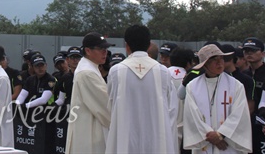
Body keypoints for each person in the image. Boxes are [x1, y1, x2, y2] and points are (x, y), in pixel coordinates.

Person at [106, 25, 178, 154]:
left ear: (127, 46)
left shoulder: (116, 71)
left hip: (125, 139)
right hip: (156, 140)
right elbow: (170, 107)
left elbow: (111, 104)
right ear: (149, 45)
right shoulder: (163, 72)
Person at [183, 44, 252, 153]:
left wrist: (221, 134)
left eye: (221, 58)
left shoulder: (235, 85)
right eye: (214, 59)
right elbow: (191, 116)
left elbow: (240, 114)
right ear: (204, 65)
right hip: (204, 144)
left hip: (228, 144)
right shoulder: (193, 86)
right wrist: (211, 136)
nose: (219, 62)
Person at [65, 32, 112, 154]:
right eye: (101, 49)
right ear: (88, 51)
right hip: (90, 134)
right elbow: (106, 107)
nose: (105, 52)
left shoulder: (90, 68)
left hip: (89, 131)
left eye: (106, 49)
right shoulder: (87, 73)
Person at [242, 37, 265, 154]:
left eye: (253, 50)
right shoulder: (242, 76)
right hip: (245, 124)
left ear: (263, 53)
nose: (249, 54)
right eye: (246, 51)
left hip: (264, 125)